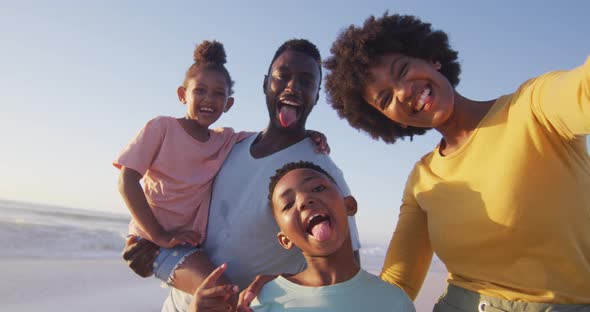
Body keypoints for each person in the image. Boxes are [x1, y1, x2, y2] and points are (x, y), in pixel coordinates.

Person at [322, 12, 590, 311]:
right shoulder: (423, 177)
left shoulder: (532, 108)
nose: (402, 92)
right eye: (385, 99)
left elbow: (584, 90)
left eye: (403, 69)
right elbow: (398, 285)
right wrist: (294, 292)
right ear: (385, 118)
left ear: (431, 58)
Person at [122, 39, 361, 312]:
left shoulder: (322, 174)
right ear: (265, 83)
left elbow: (345, 275)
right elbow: (181, 203)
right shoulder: (229, 147)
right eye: (282, 77)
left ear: (317, 95)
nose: (292, 87)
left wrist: (283, 289)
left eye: (306, 82)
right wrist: (153, 250)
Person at [250, 161, 414, 311]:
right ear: (285, 239)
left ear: (349, 206)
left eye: (318, 188)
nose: (304, 200)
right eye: (288, 204)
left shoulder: (394, 302)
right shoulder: (266, 300)